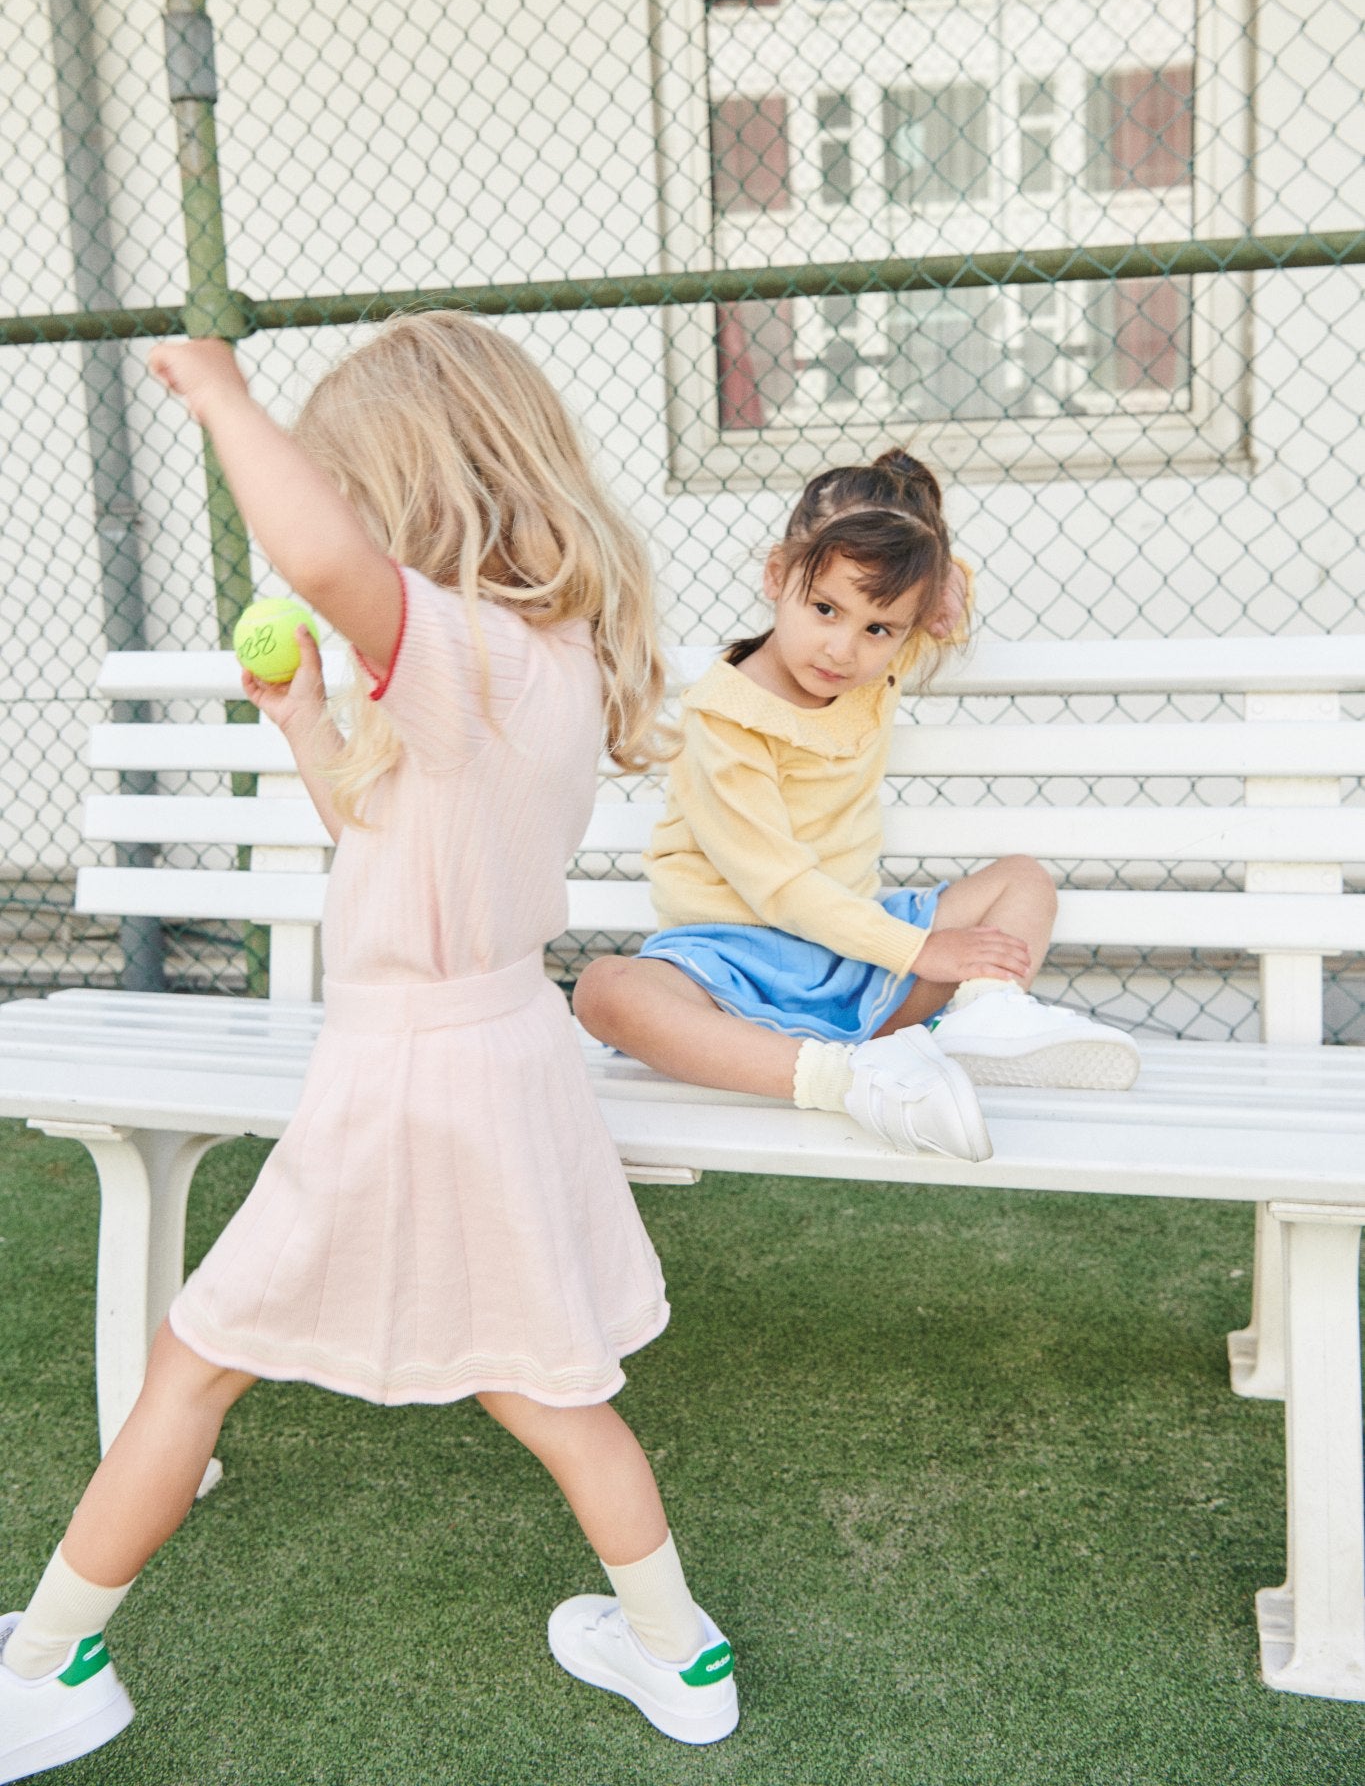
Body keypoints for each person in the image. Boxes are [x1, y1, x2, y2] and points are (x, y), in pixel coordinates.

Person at [0, 314, 739, 1782]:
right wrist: (301, 721)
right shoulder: (534, 661)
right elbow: (387, 832)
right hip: (501, 1055)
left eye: (349, 488)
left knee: (198, 1364)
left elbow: (330, 563)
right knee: (549, 1378)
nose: (331, 547)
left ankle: (45, 1670)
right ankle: (680, 1652)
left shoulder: (456, 646)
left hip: (405, 1075)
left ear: (406, 494)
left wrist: (219, 395)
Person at [575, 451, 1139, 1161]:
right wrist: (919, 948)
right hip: (732, 964)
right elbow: (777, 888)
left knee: (1021, 879)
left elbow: (942, 604)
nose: (842, 648)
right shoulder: (725, 721)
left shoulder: (876, 670)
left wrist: (936, 583)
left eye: (878, 627)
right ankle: (844, 1080)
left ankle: (982, 1017)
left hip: (861, 957)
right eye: (824, 609)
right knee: (605, 990)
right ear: (777, 575)